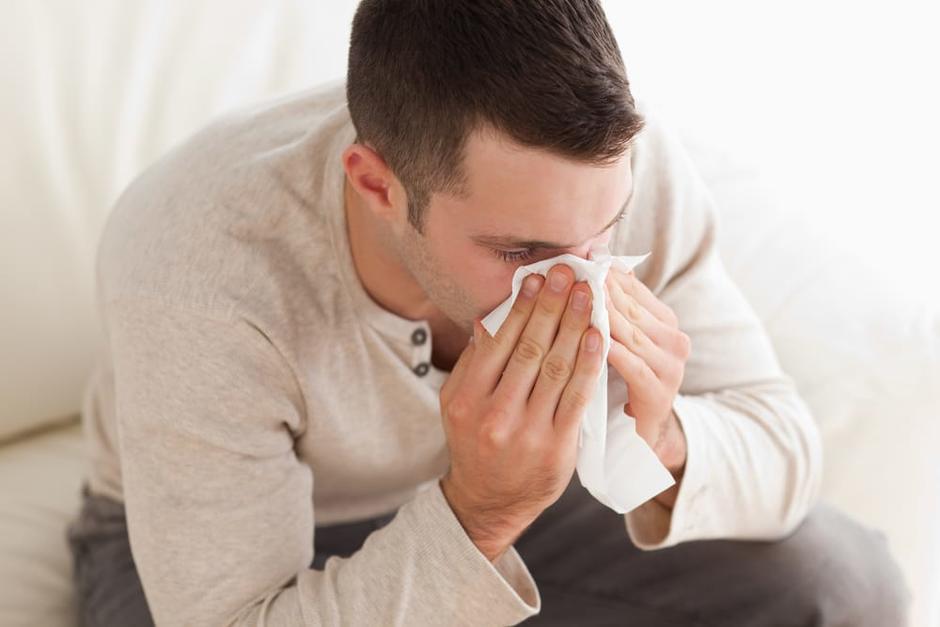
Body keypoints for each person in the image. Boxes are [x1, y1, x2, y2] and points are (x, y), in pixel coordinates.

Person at [65, 1, 912, 625]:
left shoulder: (618, 169)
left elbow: (782, 444)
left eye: (605, 230)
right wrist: (480, 514)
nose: (581, 279)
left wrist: (657, 438)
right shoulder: (199, 263)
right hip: (215, 549)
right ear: (377, 186)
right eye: (522, 251)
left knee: (843, 581)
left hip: (510, 497)